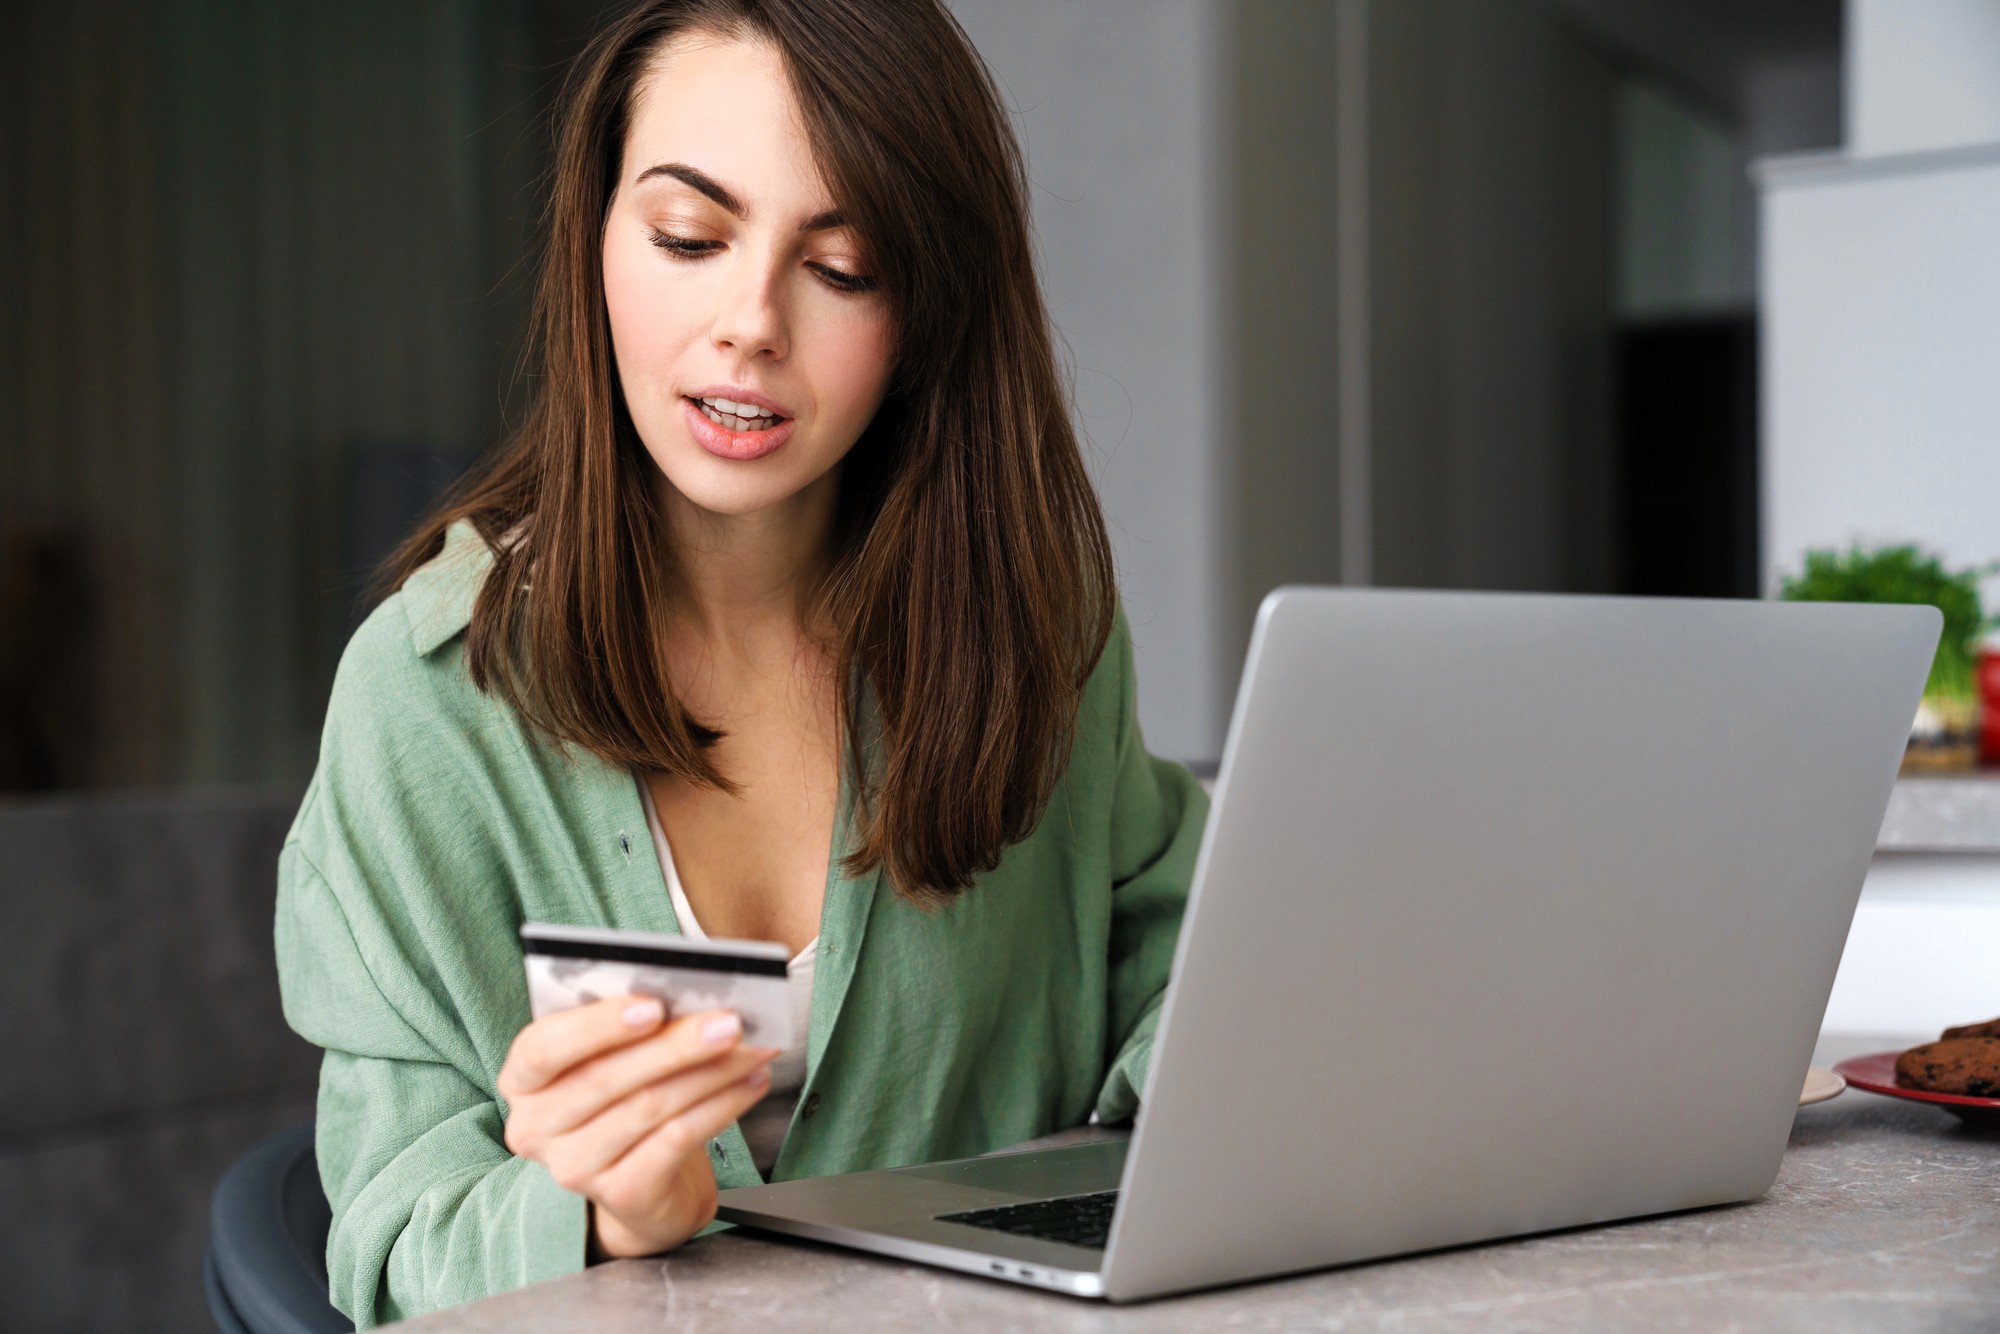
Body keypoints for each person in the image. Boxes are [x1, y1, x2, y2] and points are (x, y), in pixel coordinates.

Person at [273, 0, 1208, 1325]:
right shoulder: (426, 702)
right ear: (597, 238)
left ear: (928, 308)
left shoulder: (1033, 636)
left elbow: (1199, 991)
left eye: (843, 267)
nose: (750, 322)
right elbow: (389, 1249)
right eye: (690, 237)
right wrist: (600, 1212)